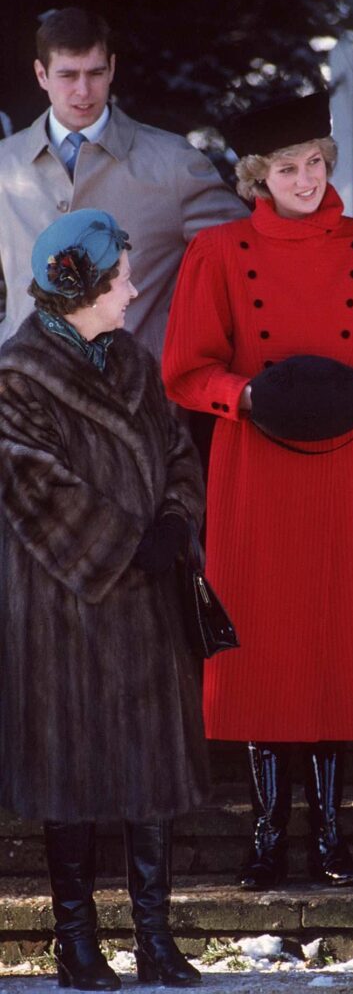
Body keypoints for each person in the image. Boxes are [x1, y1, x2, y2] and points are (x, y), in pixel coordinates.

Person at [162, 91, 353, 890]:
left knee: (331, 645)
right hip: (254, 467)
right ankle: (265, 835)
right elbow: (185, 368)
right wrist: (245, 397)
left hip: (343, 463)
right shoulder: (216, 251)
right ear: (257, 176)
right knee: (263, 650)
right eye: (290, 167)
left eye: (317, 162)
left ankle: (330, 838)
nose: (308, 178)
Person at [0, 209, 208, 990]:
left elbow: (179, 447)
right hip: (67, 611)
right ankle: (75, 942)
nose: (132, 289)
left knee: (151, 771)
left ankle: (155, 938)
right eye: (119, 277)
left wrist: (177, 519)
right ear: (79, 287)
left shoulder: (133, 360)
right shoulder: (16, 376)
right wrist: (129, 543)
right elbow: (33, 485)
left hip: (148, 603)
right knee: (73, 774)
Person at [0, 7, 246, 359]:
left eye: (95, 73)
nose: (83, 91)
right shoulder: (4, 164)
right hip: (25, 401)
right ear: (41, 74)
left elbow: (247, 261)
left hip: (141, 399)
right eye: (67, 75)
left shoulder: (173, 162)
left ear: (112, 68)